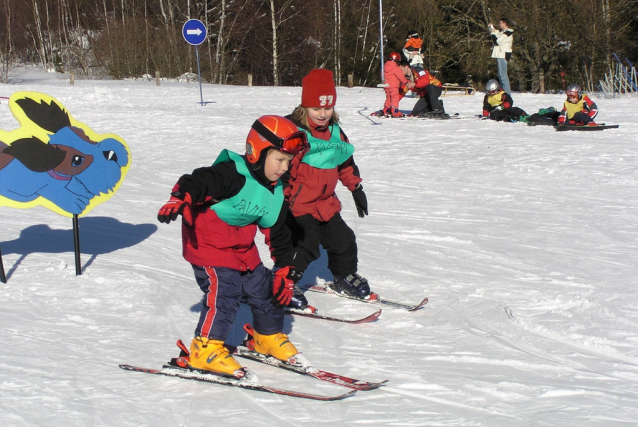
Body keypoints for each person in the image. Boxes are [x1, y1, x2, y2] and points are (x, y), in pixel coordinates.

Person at [157, 115, 309, 377]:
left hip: (241, 250)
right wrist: (181, 197)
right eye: (279, 159)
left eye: (289, 161)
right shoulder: (231, 173)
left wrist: (284, 268)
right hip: (208, 247)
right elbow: (200, 180)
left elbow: (279, 231)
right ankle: (205, 350)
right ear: (257, 152)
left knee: (265, 288)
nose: (284, 167)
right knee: (225, 293)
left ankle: (266, 337)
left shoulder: (274, 189)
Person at [284, 68, 372, 301]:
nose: (322, 114)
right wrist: (280, 201)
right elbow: (282, 169)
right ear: (304, 107)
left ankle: (344, 276)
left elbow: (345, 163)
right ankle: (285, 282)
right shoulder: (295, 133)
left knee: (344, 240)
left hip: (325, 203)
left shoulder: (335, 133)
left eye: (328, 108)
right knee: (306, 244)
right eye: (316, 108)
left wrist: (356, 188)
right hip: (299, 205)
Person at [382, 52, 415, 118]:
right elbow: (401, 76)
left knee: (389, 97)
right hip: (393, 86)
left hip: (386, 85)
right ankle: (394, 110)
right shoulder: (396, 68)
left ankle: (386, 109)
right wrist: (406, 82)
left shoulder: (384, 67)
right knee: (395, 97)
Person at [489, 18, 513, 94]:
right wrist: (492, 29)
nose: (499, 24)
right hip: (500, 55)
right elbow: (497, 34)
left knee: (503, 76)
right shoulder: (503, 32)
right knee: (500, 76)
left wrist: (493, 33)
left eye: (500, 23)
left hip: (503, 55)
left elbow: (497, 41)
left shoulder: (508, 33)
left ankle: (507, 94)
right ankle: (503, 93)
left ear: (505, 23)